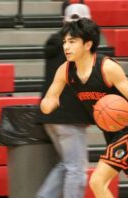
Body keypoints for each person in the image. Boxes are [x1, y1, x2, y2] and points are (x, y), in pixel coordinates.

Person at [40, 18, 128, 198]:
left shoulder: (107, 68)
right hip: (111, 133)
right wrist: (48, 105)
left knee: (97, 181)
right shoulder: (65, 70)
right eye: (65, 42)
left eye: (72, 42)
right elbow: (49, 98)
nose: (66, 47)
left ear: (88, 44)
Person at [36, 4, 93, 198]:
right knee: (76, 169)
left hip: (50, 115)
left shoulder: (55, 42)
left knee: (67, 165)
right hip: (68, 116)